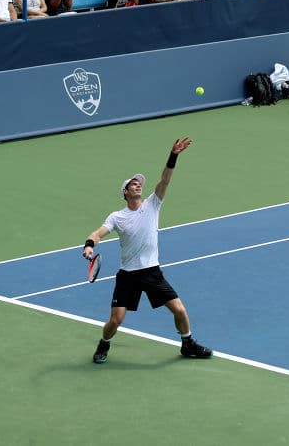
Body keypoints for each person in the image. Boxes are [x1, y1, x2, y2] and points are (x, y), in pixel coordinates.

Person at [82, 138, 212, 364]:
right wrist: (89, 246)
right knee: (115, 321)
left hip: (151, 272)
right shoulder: (117, 217)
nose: (138, 185)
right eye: (133, 184)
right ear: (125, 192)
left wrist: (174, 155)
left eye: (139, 183)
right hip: (128, 276)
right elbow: (97, 233)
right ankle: (104, 344)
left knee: (180, 310)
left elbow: (165, 179)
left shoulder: (153, 204)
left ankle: (187, 343)